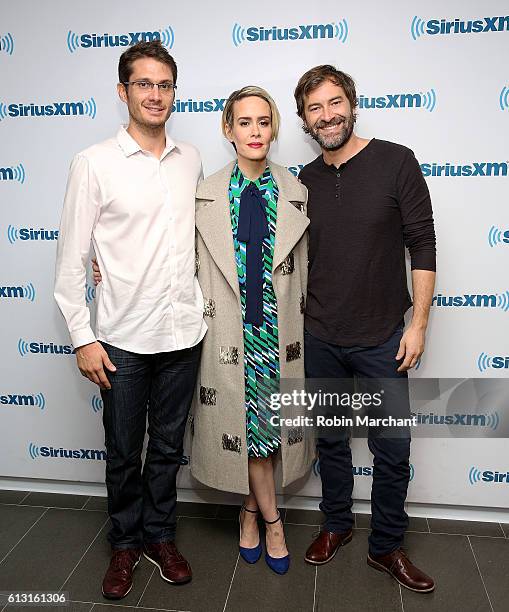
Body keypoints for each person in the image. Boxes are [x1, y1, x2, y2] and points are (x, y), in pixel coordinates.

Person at [54, 41, 205, 600]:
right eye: (143, 84)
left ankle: (160, 536)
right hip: (120, 338)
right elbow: (71, 260)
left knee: (167, 448)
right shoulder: (93, 162)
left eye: (164, 85)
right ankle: (124, 542)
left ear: (173, 92)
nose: (155, 94)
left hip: (183, 333)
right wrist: (81, 338)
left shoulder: (190, 158)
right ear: (123, 92)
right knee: (123, 450)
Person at [295, 65, 436, 593]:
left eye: (335, 103)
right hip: (320, 336)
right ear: (305, 119)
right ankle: (335, 526)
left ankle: (387, 546)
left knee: (391, 447)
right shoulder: (301, 181)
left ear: (351, 103)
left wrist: (417, 324)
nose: (327, 115)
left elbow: (422, 243)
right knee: (329, 440)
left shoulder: (397, 161)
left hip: (382, 336)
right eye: (315, 108)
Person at [190, 86, 314, 574]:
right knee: (249, 433)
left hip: (278, 333)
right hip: (227, 337)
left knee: (266, 435)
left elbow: (310, 267)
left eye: (264, 122)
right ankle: (272, 521)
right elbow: (174, 259)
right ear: (228, 129)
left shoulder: (297, 192)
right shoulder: (204, 194)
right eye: (245, 122)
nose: (255, 132)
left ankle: (250, 513)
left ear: (274, 128)